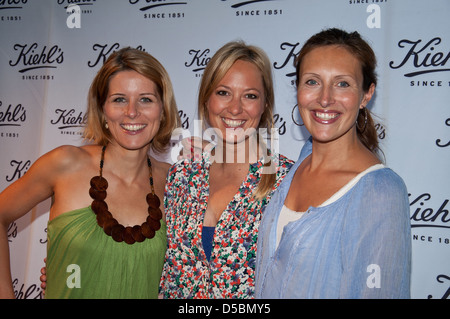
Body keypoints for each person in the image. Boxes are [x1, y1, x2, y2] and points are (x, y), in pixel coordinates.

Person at [0, 47, 180, 298]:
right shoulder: (65, 163)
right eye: (119, 99)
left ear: (162, 110)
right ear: (103, 109)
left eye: (146, 99)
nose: (132, 111)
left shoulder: (176, 182)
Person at [255, 28, 411, 298]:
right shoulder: (297, 164)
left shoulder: (380, 191)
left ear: (366, 94)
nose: (325, 99)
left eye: (342, 84)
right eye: (312, 82)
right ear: (298, 89)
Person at [159, 41, 294, 298]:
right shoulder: (182, 177)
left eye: (250, 96)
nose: (235, 108)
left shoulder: (286, 180)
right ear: (206, 99)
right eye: (223, 92)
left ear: (265, 104)